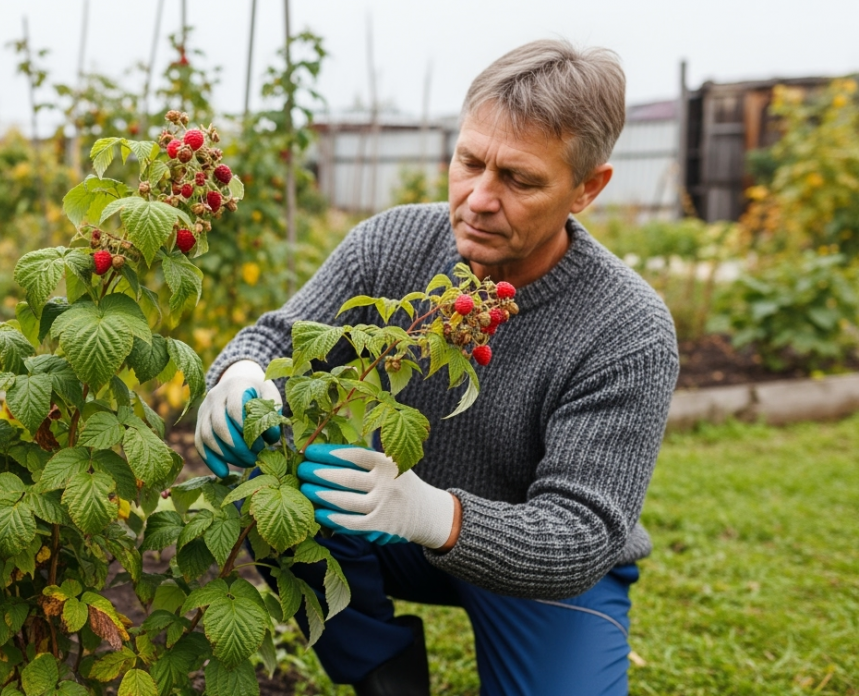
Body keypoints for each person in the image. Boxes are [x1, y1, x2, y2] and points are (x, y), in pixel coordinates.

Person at [194, 39, 679, 696]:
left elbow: (581, 530)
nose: (479, 198)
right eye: (469, 161)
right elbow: (281, 338)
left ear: (587, 188)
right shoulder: (390, 245)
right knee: (273, 472)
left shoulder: (626, 327)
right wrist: (239, 376)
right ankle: (381, 670)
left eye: (520, 179)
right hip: (386, 526)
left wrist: (432, 513)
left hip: (534, 562)